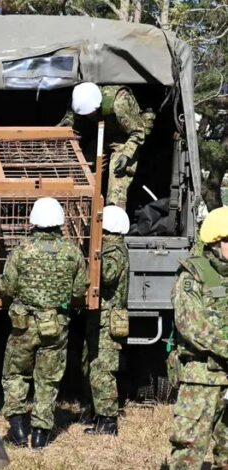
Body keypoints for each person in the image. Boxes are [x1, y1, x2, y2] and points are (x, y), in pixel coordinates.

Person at [0, 197, 89, 449]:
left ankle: (17, 430)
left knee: (16, 373)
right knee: (48, 379)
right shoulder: (72, 252)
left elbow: (7, 287)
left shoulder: (22, 250)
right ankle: (40, 434)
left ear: (34, 221)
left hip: (24, 325)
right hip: (56, 325)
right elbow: (79, 290)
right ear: (60, 222)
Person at [169, 207, 228, 468]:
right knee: (189, 451)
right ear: (215, 242)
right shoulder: (193, 274)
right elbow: (191, 326)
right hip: (202, 379)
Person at [60, 82, 155, 208]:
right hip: (101, 136)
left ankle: (113, 214)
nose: (88, 116)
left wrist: (127, 154)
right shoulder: (78, 102)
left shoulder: (119, 103)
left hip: (125, 139)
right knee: (83, 174)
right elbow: (68, 125)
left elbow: (138, 131)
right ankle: (82, 211)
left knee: (117, 186)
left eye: (91, 113)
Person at [82, 205, 130, 436]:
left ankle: (108, 422)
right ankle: (97, 413)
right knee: (92, 366)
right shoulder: (112, 247)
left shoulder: (114, 250)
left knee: (103, 371)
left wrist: (93, 258)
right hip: (101, 318)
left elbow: (107, 275)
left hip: (108, 320)